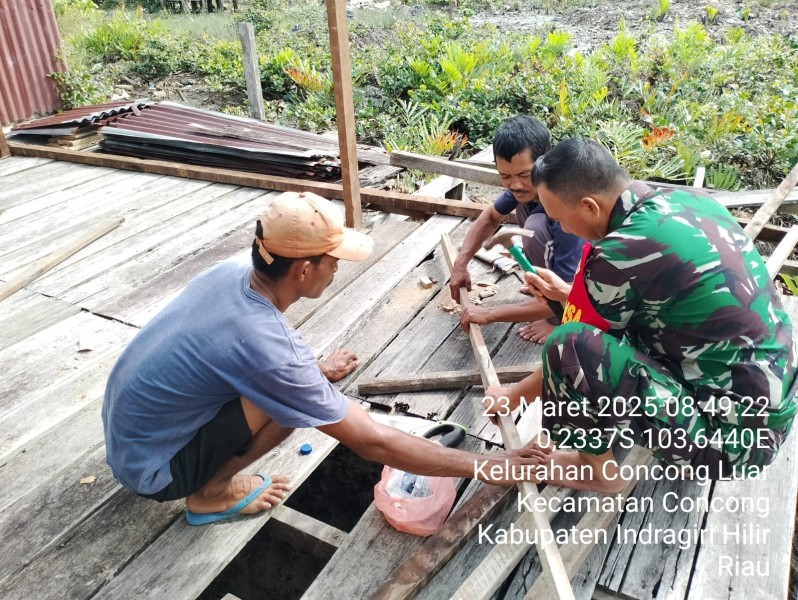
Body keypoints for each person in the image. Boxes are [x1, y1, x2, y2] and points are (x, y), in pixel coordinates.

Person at [102, 191, 543, 525]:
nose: (337, 270)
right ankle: (209, 494)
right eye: (333, 261)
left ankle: (213, 469)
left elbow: (249, 351)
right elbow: (373, 441)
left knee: (293, 388)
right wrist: (492, 464)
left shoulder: (229, 274)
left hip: (132, 437)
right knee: (290, 405)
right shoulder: (267, 348)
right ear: (304, 269)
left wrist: (309, 372)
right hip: (155, 470)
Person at [484, 137, 797, 492]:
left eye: (560, 219)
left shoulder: (619, 252)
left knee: (565, 344)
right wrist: (568, 293)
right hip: (767, 414)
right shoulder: (691, 201)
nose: (564, 229)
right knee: (622, 326)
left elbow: (576, 351)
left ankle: (597, 472)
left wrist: (513, 396)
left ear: (588, 206)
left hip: (727, 446)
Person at [450, 115, 583, 344]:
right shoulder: (522, 187)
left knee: (535, 226)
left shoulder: (566, 204)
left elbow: (570, 292)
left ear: (545, 163)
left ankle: (559, 319)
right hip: (564, 276)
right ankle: (542, 288)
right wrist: (460, 264)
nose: (515, 185)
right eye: (505, 176)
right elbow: (490, 218)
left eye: (523, 174)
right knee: (528, 213)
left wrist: (490, 314)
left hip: (582, 287)